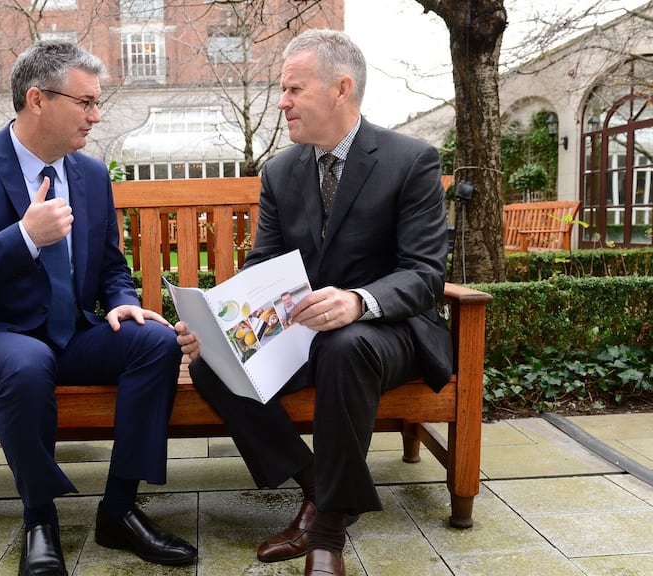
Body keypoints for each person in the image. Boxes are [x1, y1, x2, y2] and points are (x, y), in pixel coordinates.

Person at [175, 29, 451, 576]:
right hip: (304, 332)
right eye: (283, 90)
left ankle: (324, 533)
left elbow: (424, 275)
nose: (283, 102)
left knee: (344, 347)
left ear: (340, 88)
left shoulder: (411, 160)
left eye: (293, 89)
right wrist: (222, 322)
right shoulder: (281, 171)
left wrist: (358, 300)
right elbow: (263, 265)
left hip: (388, 331)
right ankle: (325, 489)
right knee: (210, 363)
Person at [0, 40, 197, 576]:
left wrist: (121, 304)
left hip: (70, 333)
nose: (96, 115)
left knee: (155, 342)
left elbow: (113, 265)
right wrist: (23, 236)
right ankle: (39, 520)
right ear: (38, 99)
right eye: (86, 102)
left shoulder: (90, 174)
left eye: (98, 103)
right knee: (26, 362)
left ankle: (118, 510)